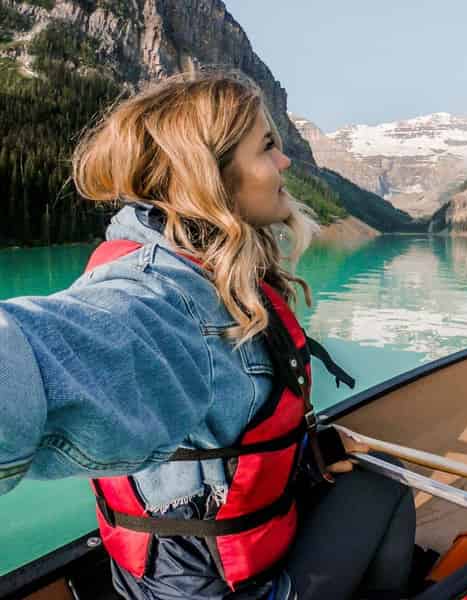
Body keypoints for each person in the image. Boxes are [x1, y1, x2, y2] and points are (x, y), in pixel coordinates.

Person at [0, 71, 414, 600]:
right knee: (384, 487)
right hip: (226, 589)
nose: (285, 163)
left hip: (154, 584)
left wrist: (307, 454)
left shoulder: (190, 266)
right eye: (267, 147)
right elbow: (37, 360)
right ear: (210, 176)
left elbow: (225, 443)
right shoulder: (164, 300)